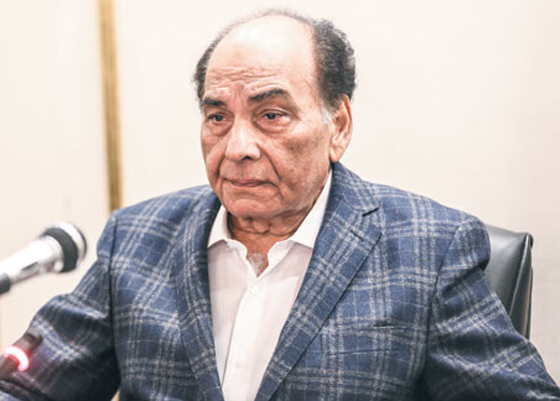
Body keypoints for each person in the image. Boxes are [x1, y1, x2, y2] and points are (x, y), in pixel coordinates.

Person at [1, 9, 559, 401]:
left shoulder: (428, 252)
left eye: (271, 116)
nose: (237, 147)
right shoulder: (137, 239)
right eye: (217, 117)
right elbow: (28, 385)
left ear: (338, 125)